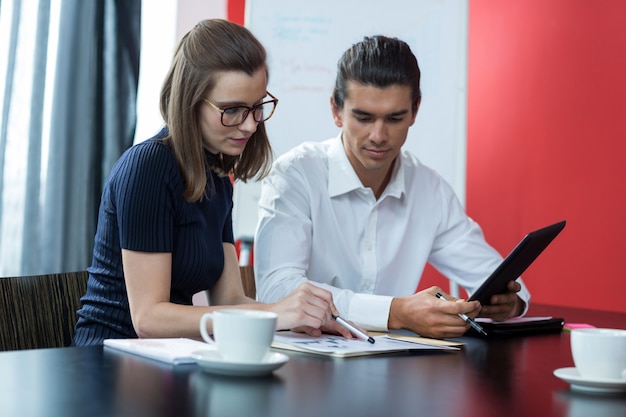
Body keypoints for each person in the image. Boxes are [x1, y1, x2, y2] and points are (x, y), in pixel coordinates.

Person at [72, 19, 350, 346]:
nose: (249, 125)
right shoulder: (147, 166)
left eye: (257, 107)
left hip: (167, 361)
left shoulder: (217, 180)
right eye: (232, 110)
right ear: (191, 101)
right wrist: (276, 314)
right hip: (108, 364)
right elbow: (148, 318)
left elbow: (230, 301)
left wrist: (299, 318)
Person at [254, 35, 530, 339]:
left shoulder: (429, 189)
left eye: (395, 118)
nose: (378, 135)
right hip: (304, 366)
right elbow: (276, 290)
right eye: (363, 117)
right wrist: (395, 312)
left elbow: (495, 277)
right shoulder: (295, 175)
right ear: (336, 110)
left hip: (393, 366)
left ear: (414, 111)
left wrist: (509, 304)